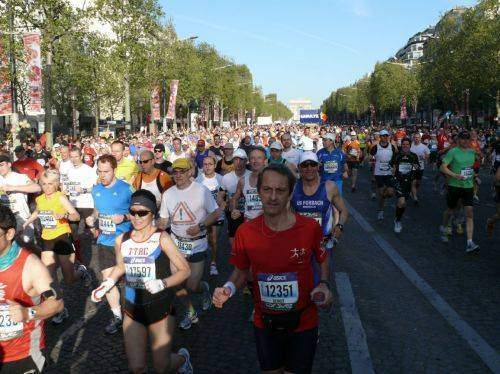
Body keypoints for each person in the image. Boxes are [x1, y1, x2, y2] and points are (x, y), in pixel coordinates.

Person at [213, 163, 333, 374]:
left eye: (280, 190)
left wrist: (323, 284)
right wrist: (228, 289)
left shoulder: (309, 228)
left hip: (303, 321)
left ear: (290, 193)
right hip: (264, 321)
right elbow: (241, 271)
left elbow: (322, 258)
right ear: (258, 192)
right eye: (267, 189)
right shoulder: (245, 232)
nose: (273, 197)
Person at [91, 190, 193, 374]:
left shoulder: (162, 238)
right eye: (133, 212)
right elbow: (121, 266)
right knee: (136, 367)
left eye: (143, 213)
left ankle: (183, 358)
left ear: (153, 213)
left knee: (162, 367)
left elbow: (185, 270)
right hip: (132, 307)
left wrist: (162, 283)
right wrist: (107, 283)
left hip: (159, 307)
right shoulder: (121, 240)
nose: (136, 217)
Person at [0, 205, 64, 373]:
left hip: (22, 355)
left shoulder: (31, 264)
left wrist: (27, 313)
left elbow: (57, 303)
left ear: (10, 234)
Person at [158, 158, 220, 330]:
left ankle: (204, 288)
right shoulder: (168, 194)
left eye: (182, 171)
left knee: (192, 285)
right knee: (177, 283)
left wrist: (200, 226)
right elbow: (164, 219)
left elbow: (215, 213)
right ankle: (190, 311)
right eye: (175, 172)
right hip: (176, 245)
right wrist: (156, 226)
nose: (178, 175)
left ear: (190, 172)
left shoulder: (202, 191)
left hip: (197, 244)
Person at [22, 169, 90, 324]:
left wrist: (64, 215)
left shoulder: (60, 198)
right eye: (44, 184)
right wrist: (26, 223)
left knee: (69, 278)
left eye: (50, 184)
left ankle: (81, 271)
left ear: (57, 184)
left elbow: (76, 216)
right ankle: (60, 309)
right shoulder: (40, 199)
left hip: (62, 238)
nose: (47, 187)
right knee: (49, 279)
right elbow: (38, 213)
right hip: (47, 239)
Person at [86, 154, 134, 334]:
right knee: (108, 281)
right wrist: (93, 218)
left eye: (106, 171)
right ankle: (117, 317)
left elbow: (141, 212)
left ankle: (132, 314)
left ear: (114, 170)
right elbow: (97, 209)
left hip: (125, 241)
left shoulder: (127, 189)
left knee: (130, 282)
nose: (102, 175)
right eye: (99, 171)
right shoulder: (96, 190)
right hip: (104, 241)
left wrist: (125, 217)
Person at [291, 151, 348, 257]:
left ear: (318, 166)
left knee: (323, 273)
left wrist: (339, 226)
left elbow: (343, 210)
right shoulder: (292, 188)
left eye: (312, 164)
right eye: (305, 165)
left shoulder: (329, 186)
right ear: (299, 167)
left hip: (323, 243)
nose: (309, 168)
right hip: (299, 243)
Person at [439, 131, 479, 252]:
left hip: (468, 186)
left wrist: (475, 175)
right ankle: (444, 227)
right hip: (454, 186)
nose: (465, 141)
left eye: (467, 139)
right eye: (463, 139)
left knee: (469, 213)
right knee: (450, 210)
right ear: (459, 140)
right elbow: (443, 167)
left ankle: (470, 242)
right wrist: (454, 175)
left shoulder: (472, 152)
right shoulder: (453, 152)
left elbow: (472, 167)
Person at [0, 155, 41, 245]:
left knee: (27, 247)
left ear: (9, 164)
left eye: (2, 165)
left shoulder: (20, 177)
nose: (0, 168)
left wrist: (13, 188)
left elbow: (37, 187)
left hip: (21, 217)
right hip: (4, 219)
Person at [65, 147, 97, 262]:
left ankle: (94, 250)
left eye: (76, 156)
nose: (74, 159)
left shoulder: (89, 170)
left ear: (81, 156)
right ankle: (77, 257)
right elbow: (67, 186)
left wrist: (83, 190)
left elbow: (95, 187)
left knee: (89, 232)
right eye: (71, 157)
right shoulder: (69, 171)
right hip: (73, 204)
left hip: (87, 203)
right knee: (73, 231)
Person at [195, 156, 223, 276]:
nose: (207, 166)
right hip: (203, 215)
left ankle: (213, 263)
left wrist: (222, 205)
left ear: (215, 165)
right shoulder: (198, 180)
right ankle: (204, 260)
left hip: (217, 215)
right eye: (205, 164)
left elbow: (225, 196)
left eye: (210, 164)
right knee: (206, 240)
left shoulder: (221, 179)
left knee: (214, 240)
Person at [389, 138, 421, 233]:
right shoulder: (397, 155)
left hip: (408, 182)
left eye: (407, 144)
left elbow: (417, 166)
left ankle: (398, 218)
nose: (405, 146)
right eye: (403, 144)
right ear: (401, 145)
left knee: (403, 204)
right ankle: (398, 221)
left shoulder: (413, 155)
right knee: (402, 201)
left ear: (410, 145)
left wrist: (416, 167)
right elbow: (392, 165)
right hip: (398, 181)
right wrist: (393, 170)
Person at [220, 149, 250, 247]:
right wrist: (222, 203)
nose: (238, 162)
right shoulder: (226, 178)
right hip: (232, 212)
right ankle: (236, 254)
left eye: (241, 159)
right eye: (235, 159)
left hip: (248, 213)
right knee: (233, 235)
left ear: (246, 161)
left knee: (248, 237)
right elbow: (220, 195)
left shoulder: (252, 175)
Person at [231, 147, 267, 222]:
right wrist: (234, 209)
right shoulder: (243, 181)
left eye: (259, 158)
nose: (255, 161)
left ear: (265, 161)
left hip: (267, 222)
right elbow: (235, 198)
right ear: (249, 161)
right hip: (249, 222)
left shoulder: (272, 180)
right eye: (253, 158)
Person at [370, 129, 398, 220]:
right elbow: (370, 157)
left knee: (390, 193)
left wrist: (394, 167)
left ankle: (382, 199)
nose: (385, 137)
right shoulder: (375, 147)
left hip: (389, 173)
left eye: (386, 136)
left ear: (388, 137)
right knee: (382, 193)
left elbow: (395, 158)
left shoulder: (392, 147)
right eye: (383, 136)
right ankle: (381, 211)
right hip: (379, 173)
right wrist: (371, 161)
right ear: (380, 137)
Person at [409, 133, 430, 206]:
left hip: (421, 167)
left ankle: (413, 191)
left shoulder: (424, 147)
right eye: (415, 137)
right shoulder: (410, 146)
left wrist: (425, 156)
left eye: (418, 137)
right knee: (413, 182)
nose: (416, 139)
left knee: (418, 182)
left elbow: (428, 155)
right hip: (412, 167)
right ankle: (415, 198)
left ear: (420, 138)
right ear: (413, 138)